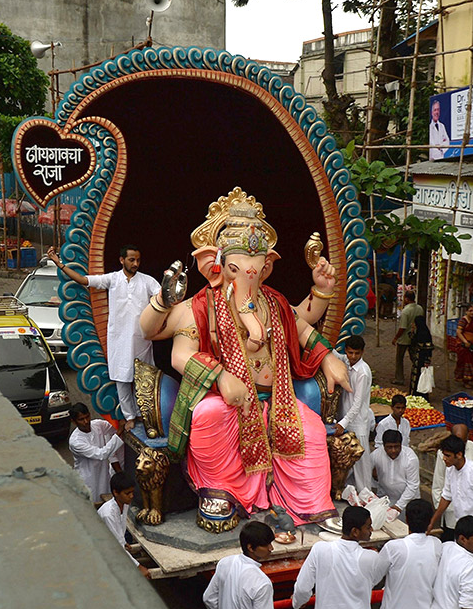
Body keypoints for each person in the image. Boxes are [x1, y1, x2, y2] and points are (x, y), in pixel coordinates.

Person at [136, 189, 351, 527]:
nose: (246, 280)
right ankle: (221, 492)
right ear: (216, 266)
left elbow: (303, 325)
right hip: (227, 399)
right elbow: (173, 350)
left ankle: (309, 502)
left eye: (256, 270)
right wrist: (220, 376)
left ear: (266, 268)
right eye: (236, 271)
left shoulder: (274, 302)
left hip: (277, 399)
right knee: (209, 416)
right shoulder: (202, 306)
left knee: (308, 427)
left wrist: (327, 351)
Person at [47, 243, 160, 431]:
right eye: (132, 259)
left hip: (141, 339)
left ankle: (145, 415)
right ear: (122, 260)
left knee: (144, 379)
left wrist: (170, 282)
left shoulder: (147, 281)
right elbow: (83, 280)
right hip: (119, 339)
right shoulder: (113, 279)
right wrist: (59, 264)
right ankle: (130, 417)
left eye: (138, 260)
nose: (135, 263)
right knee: (122, 381)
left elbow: (162, 296)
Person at [429, 435, 473, 535]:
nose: (444, 459)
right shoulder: (450, 470)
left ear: (459, 455)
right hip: (462, 527)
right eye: (443, 455)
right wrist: (433, 521)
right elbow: (446, 496)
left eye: (447, 455)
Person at [335, 334, 374, 491]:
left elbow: (357, 403)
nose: (353, 357)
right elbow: (334, 354)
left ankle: (366, 493)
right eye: (350, 353)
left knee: (360, 462)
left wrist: (342, 423)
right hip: (345, 419)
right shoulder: (345, 360)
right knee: (346, 459)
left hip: (357, 422)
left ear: (362, 352)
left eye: (356, 353)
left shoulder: (363, 372)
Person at [68, 402, 124, 504]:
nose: (86, 421)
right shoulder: (76, 441)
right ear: (74, 422)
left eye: (87, 417)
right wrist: (119, 432)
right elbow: (101, 454)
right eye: (81, 419)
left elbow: (114, 429)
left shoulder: (98, 424)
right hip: (88, 479)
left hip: (103, 475)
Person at [95, 473, 147, 575]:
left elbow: (119, 530)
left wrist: (123, 542)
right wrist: (139, 567)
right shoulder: (108, 514)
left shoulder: (124, 503)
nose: (131, 496)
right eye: (127, 493)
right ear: (115, 492)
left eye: (132, 492)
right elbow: (117, 547)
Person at [431, 425, 473, 514]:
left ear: (468, 436)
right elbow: (438, 481)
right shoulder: (443, 454)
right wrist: (441, 508)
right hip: (451, 510)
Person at [370, 430, 421, 511]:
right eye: (389, 447)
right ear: (383, 446)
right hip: (386, 499)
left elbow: (413, 485)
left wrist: (399, 506)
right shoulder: (376, 455)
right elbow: (366, 471)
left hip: (408, 501)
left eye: (396, 446)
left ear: (401, 445)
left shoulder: (410, 458)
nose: (393, 450)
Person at [392, 291, 424, 384]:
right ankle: (419, 375)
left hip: (404, 338)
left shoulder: (405, 311)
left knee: (399, 359)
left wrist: (396, 338)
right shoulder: (419, 308)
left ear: (406, 298)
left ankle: (399, 378)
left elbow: (402, 327)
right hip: (414, 337)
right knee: (414, 358)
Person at [408, 306, 435, 396]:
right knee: (416, 376)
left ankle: (420, 394)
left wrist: (427, 361)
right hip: (417, 359)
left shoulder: (424, 334)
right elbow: (412, 340)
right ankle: (414, 393)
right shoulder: (418, 332)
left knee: (420, 376)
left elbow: (428, 349)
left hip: (422, 359)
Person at [454, 305, 473, 385]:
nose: (472, 313)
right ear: (466, 311)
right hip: (464, 345)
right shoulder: (463, 321)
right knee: (465, 362)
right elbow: (459, 332)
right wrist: (465, 342)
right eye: (470, 311)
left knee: (472, 361)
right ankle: (465, 381)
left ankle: (468, 379)